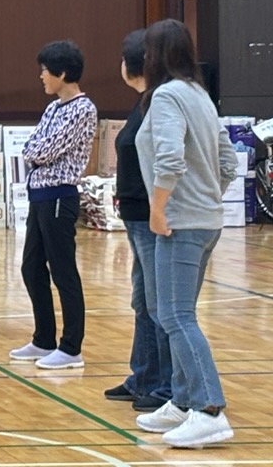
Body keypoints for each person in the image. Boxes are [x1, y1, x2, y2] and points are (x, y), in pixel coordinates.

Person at [133, 19, 237, 448]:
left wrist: (160, 208)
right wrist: (207, 197)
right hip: (204, 219)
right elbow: (228, 161)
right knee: (167, 310)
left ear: (154, 56)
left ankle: (209, 409)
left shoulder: (167, 96)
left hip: (180, 222)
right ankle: (181, 400)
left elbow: (170, 158)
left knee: (176, 315)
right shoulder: (198, 94)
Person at [10, 40, 98, 370]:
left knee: (63, 272)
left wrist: (36, 152)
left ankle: (71, 347)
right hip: (40, 196)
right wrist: (36, 151)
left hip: (60, 196)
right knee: (31, 267)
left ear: (62, 72)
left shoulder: (82, 108)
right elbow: (34, 145)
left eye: (45, 71)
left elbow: (43, 151)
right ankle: (43, 338)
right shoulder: (52, 108)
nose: (41, 77)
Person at [104, 29, 172, 412]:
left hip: (149, 218)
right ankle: (143, 375)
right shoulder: (142, 102)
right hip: (134, 217)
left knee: (157, 303)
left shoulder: (157, 103)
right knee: (142, 301)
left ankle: (164, 385)